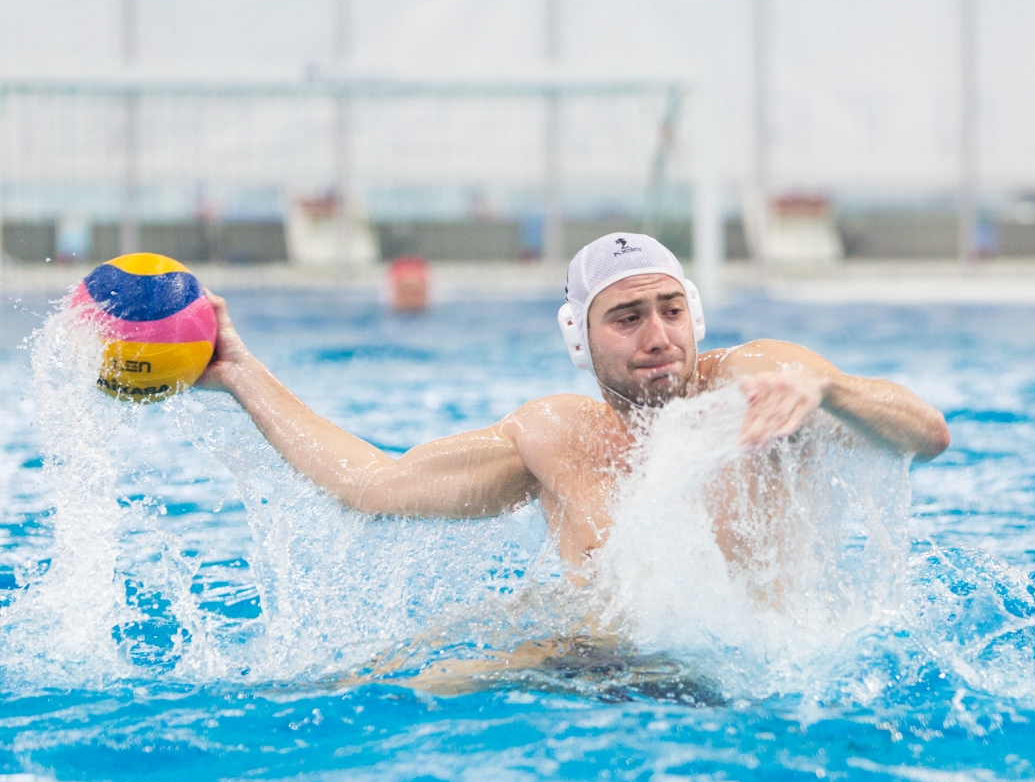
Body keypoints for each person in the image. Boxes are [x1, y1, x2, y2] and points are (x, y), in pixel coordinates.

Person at [199, 232, 949, 574]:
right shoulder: (553, 437)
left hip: (747, 703)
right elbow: (371, 485)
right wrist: (238, 370)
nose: (658, 335)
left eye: (671, 310)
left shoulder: (757, 381)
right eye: (627, 318)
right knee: (397, 681)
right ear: (580, 340)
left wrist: (831, 391)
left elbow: (927, 435)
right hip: (590, 676)